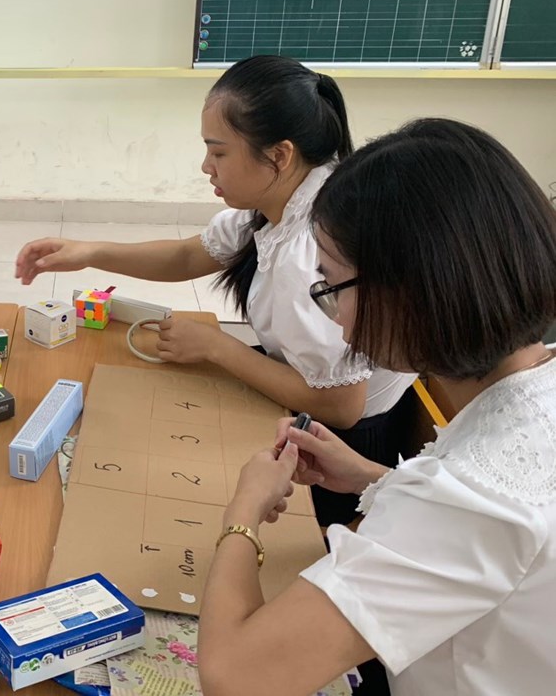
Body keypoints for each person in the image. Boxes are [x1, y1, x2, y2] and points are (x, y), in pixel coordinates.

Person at [197, 119, 556, 696]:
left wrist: (243, 512)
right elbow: (511, 541)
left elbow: (235, 676)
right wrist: (375, 478)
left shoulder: (464, 501)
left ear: (410, 292)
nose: (335, 315)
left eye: (332, 284)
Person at [14, 56, 415, 526]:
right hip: (302, 396)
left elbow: (341, 407)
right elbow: (190, 255)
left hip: (338, 452)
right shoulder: (284, 196)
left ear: (279, 155)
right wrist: (90, 252)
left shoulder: (311, 248)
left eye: (219, 153)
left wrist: (217, 347)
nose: (207, 167)